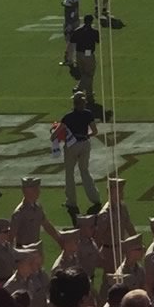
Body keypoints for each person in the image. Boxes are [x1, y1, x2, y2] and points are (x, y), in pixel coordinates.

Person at [58, 90, 101, 220]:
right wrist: (85, 135)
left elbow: (56, 134)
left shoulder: (68, 117)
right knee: (85, 171)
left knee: (69, 173)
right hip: (84, 144)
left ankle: (71, 201)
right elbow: (95, 131)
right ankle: (95, 198)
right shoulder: (88, 114)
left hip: (71, 146)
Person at [66, 17, 102, 111]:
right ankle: (78, 89)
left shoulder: (78, 31)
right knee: (89, 75)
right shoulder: (94, 31)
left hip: (79, 54)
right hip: (88, 54)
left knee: (84, 75)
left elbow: (72, 42)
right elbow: (98, 41)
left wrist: (68, 55)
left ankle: (90, 96)